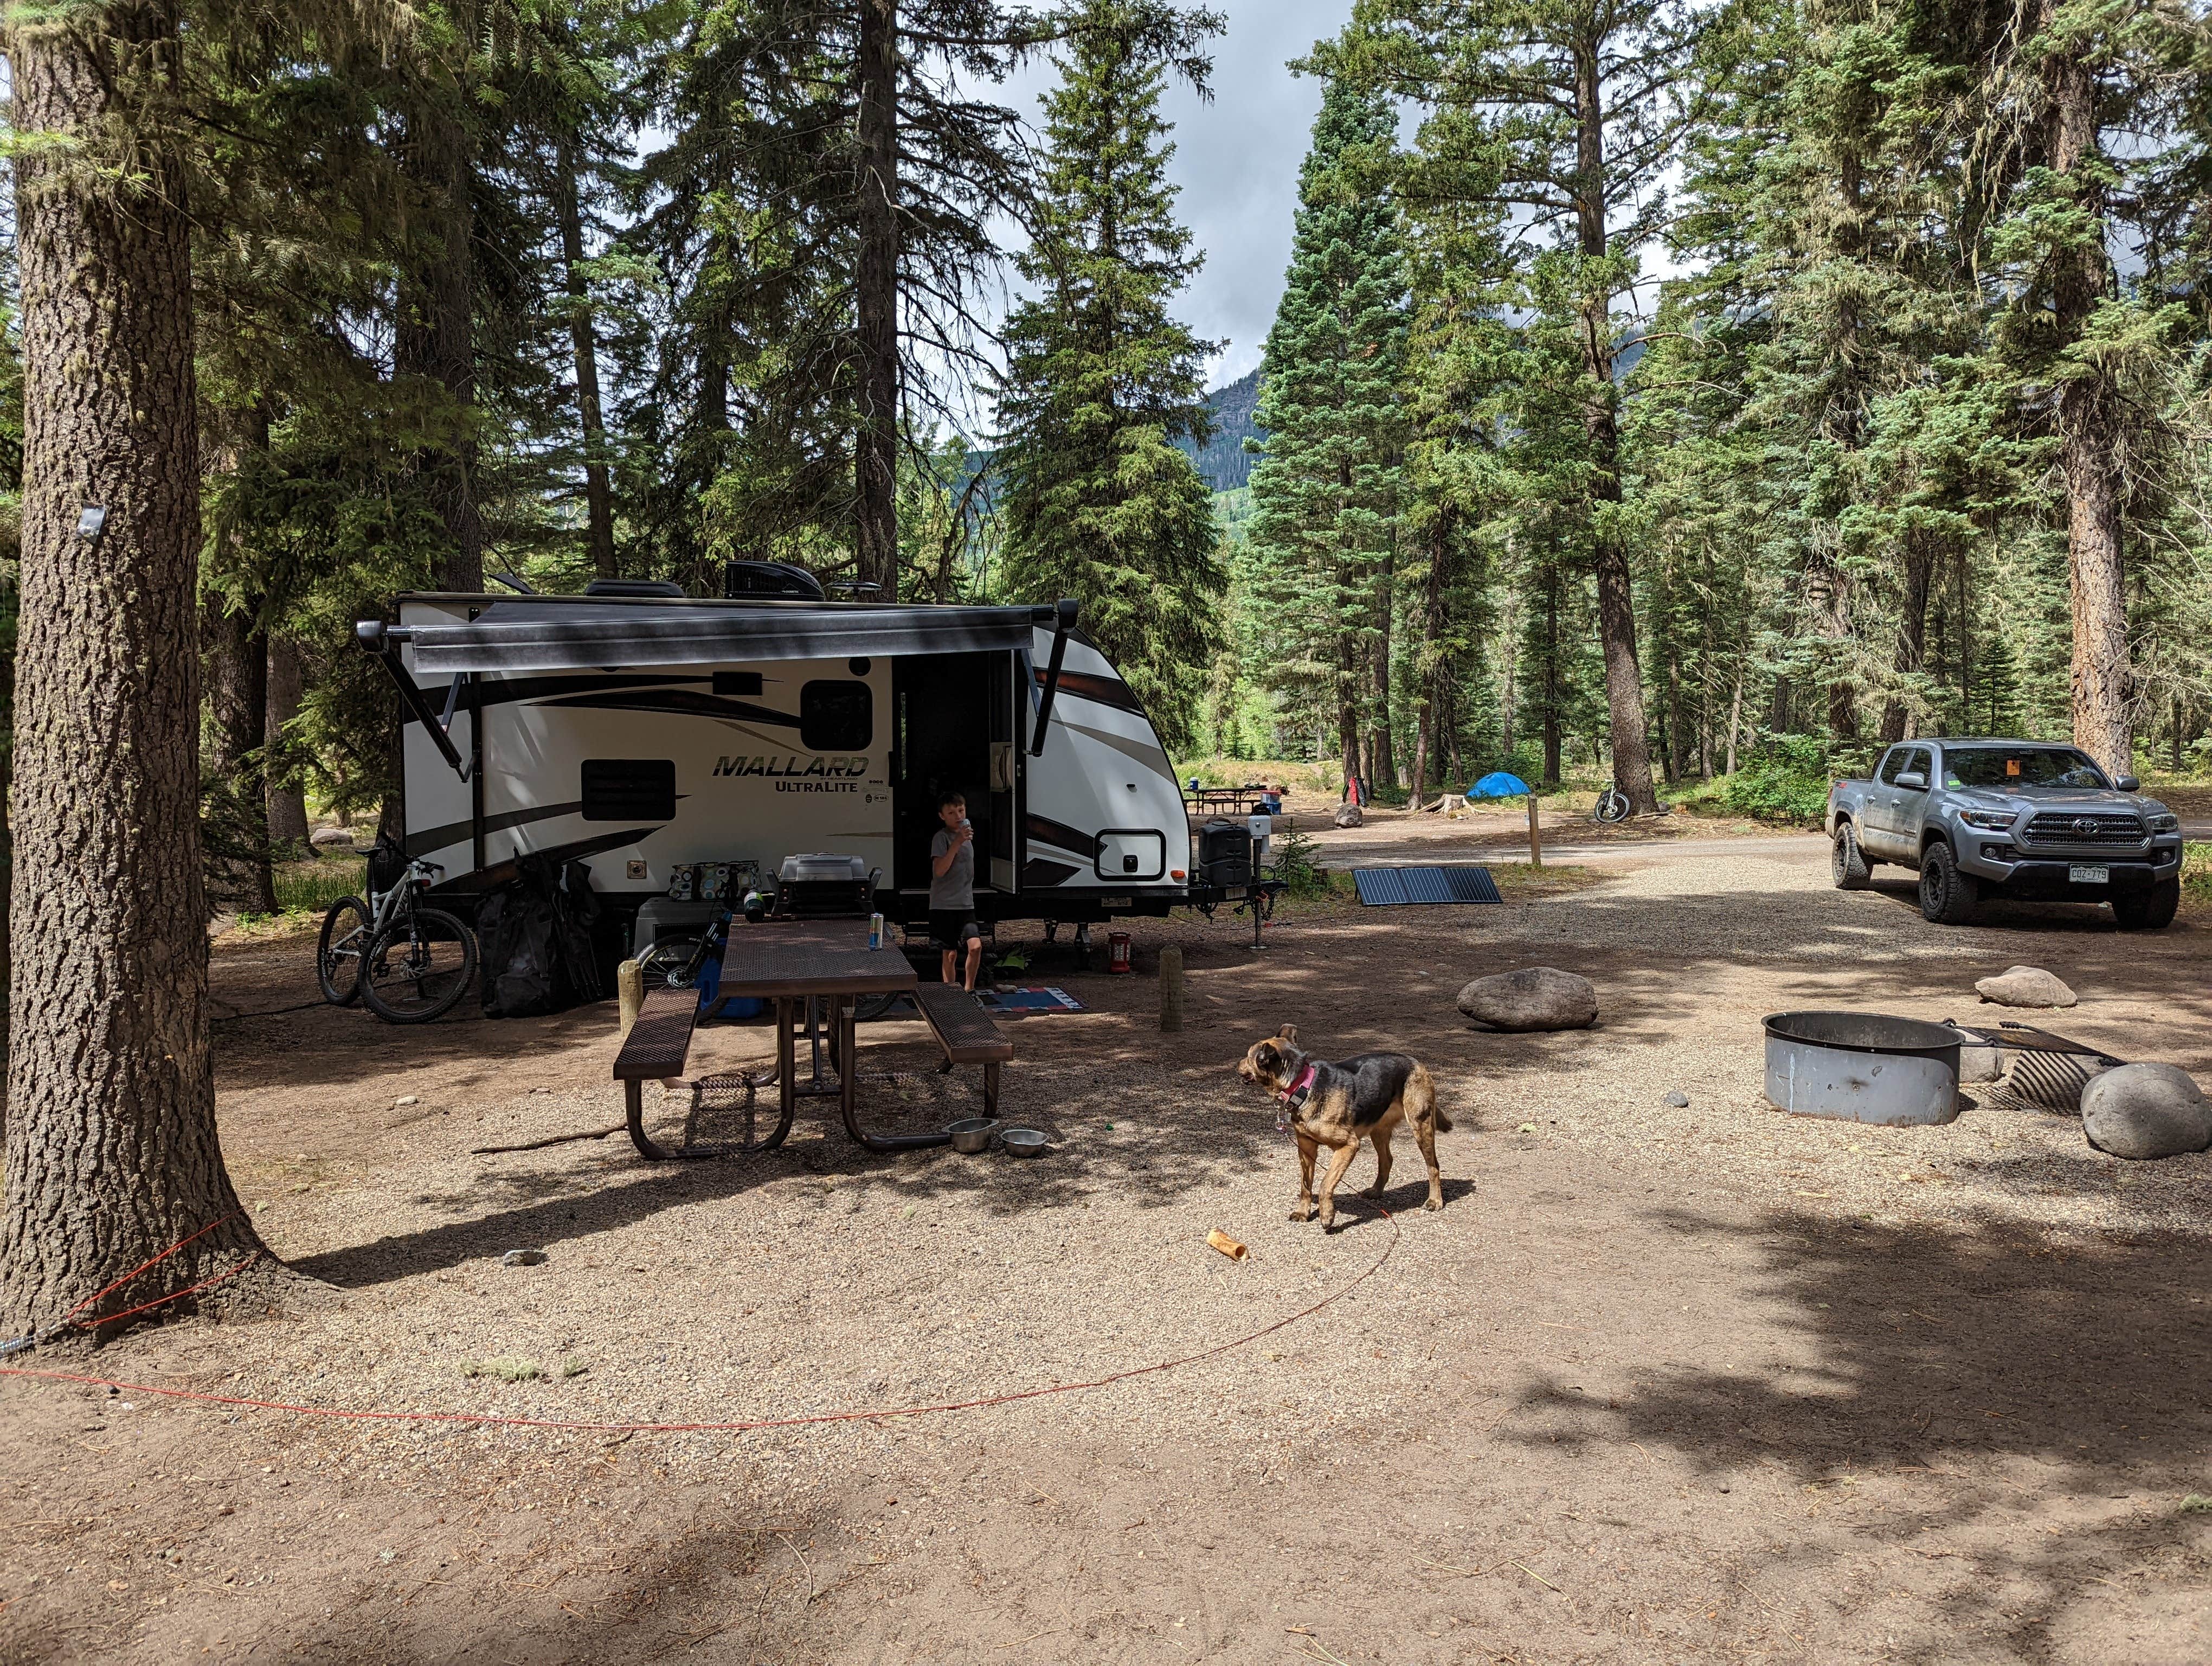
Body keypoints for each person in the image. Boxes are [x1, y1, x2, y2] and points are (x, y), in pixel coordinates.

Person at [929, 790, 984, 992]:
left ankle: (969, 990)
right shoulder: (941, 838)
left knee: (976, 947)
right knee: (950, 954)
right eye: (951, 813)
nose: (958, 816)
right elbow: (940, 871)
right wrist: (957, 842)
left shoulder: (967, 836)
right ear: (942, 816)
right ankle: (951, 992)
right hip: (944, 904)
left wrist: (962, 840)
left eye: (961, 811)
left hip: (965, 903)